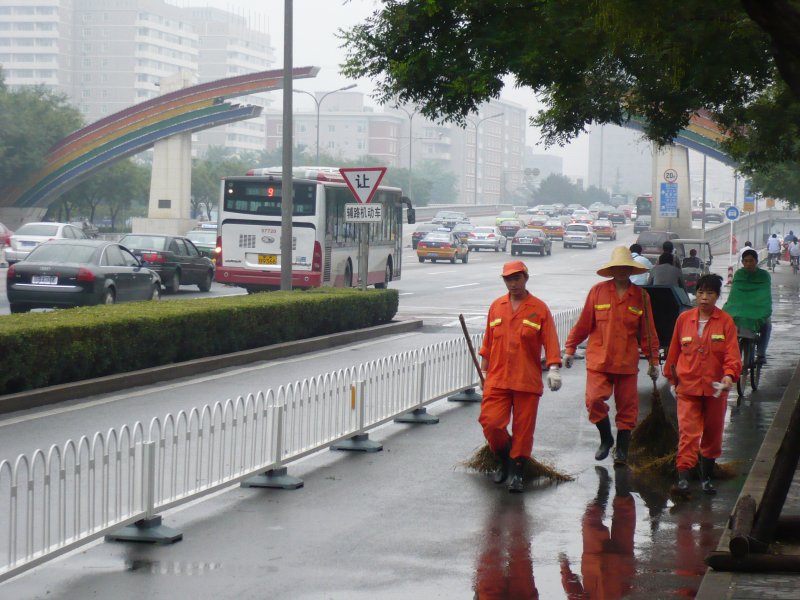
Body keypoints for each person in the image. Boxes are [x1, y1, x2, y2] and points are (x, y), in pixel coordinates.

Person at [563, 246, 660, 466]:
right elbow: (583, 324)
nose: (622, 271)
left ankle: (622, 449)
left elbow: (648, 331)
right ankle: (606, 439)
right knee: (594, 400)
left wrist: (653, 361)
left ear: (631, 270)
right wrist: (570, 348)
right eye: (618, 267)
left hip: (626, 362)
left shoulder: (641, 297)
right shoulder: (597, 292)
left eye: (626, 267)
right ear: (612, 269)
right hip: (599, 360)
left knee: (627, 408)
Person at [479, 260, 563, 493]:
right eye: (508, 279)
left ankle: (517, 471)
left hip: (526, 379)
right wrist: (484, 371)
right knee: (491, 423)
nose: (512, 283)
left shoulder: (539, 308)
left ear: (526, 278)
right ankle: (503, 459)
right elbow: (488, 342)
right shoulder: (497, 306)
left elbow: (551, 341)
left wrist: (554, 367)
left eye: (516, 278)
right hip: (497, 378)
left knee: (523, 430)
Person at [663, 274, 741, 495]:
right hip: (688, 388)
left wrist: (728, 377)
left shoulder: (725, 322)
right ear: (695, 294)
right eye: (700, 293)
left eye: (709, 293)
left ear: (717, 296)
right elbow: (674, 354)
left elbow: (732, 355)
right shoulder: (684, 320)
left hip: (716, 390)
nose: (704, 298)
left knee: (713, 433)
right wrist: (672, 380)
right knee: (688, 433)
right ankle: (684, 477)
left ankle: (707, 477)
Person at [724, 248, 773, 363]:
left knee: (767, 324)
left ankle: (761, 353)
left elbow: (764, 295)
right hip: (739, 309)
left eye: (751, 261)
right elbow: (735, 295)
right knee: (726, 322)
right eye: (745, 261)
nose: (748, 264)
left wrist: (762, 308)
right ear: (742, 262)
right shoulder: (739, 274)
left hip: (759, 309)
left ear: (756, 261)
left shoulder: (764, 275)